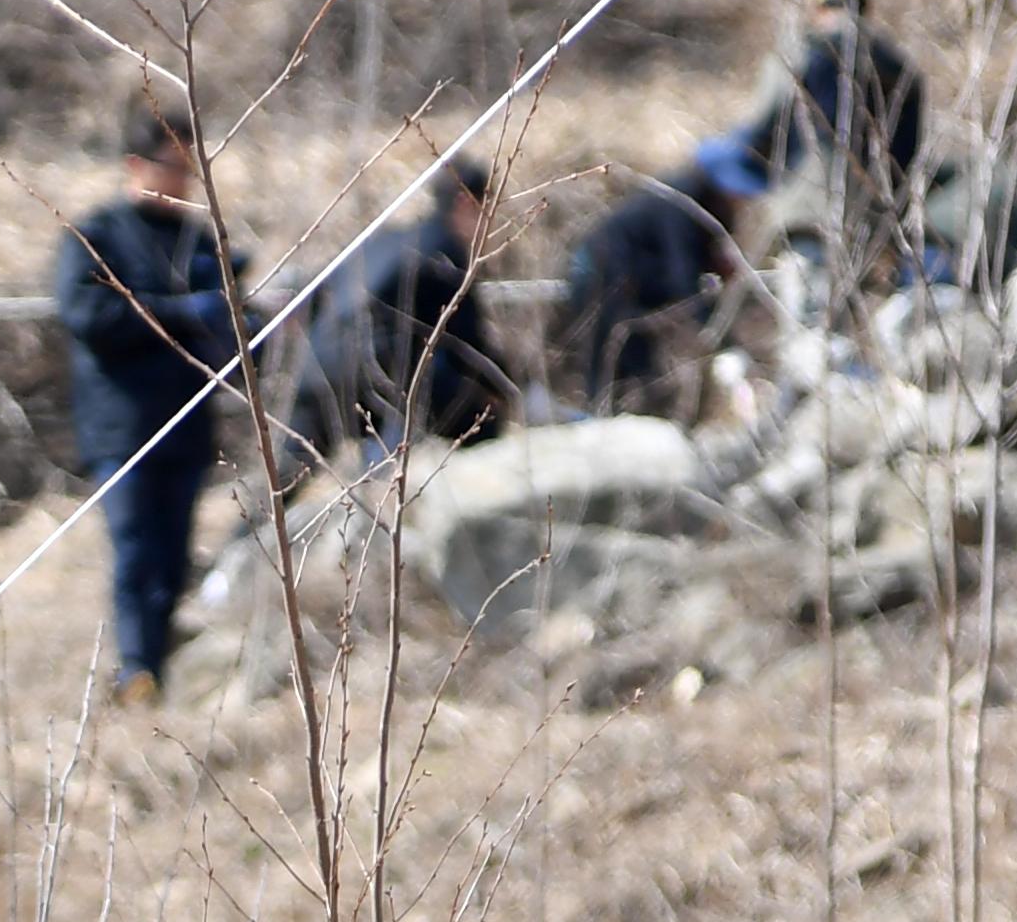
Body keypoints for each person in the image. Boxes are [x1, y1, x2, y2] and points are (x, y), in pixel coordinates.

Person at [54, 101, 239, 706]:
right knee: (134, 549)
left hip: (186, 421)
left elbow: (227, 324)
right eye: (174, 167)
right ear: (136, 165)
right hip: (124, 426)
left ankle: (160, 660)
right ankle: (136, 668)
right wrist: (178, 313)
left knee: (175, 552)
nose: (184, 181)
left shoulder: (197, 239)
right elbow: (89, 315)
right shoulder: (95, 236)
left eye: (192, 170)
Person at [279, 157, 508, 467]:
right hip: (377, 374)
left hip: (318, 366)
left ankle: (252, 517)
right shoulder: (444, 252)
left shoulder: (380, 239)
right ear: (467, 202)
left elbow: (310, 298)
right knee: (481, 422)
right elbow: (467, 345)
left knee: (285, 480)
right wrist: (505, 388)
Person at [738, 0, 927, 294]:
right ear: (866, 4)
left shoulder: (794, 57)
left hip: (806, 211)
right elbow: (907, 156)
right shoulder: (899, 71)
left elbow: (760, 132)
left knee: (808, 329)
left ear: (818, 4)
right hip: (871, 219)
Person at [546, 137, 761, 417]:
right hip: (603, 282)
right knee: (612, 376)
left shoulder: (709, 210)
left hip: (631, 289)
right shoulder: (678, 205)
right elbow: (681, 279)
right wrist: (722, 340)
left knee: (638, 371)